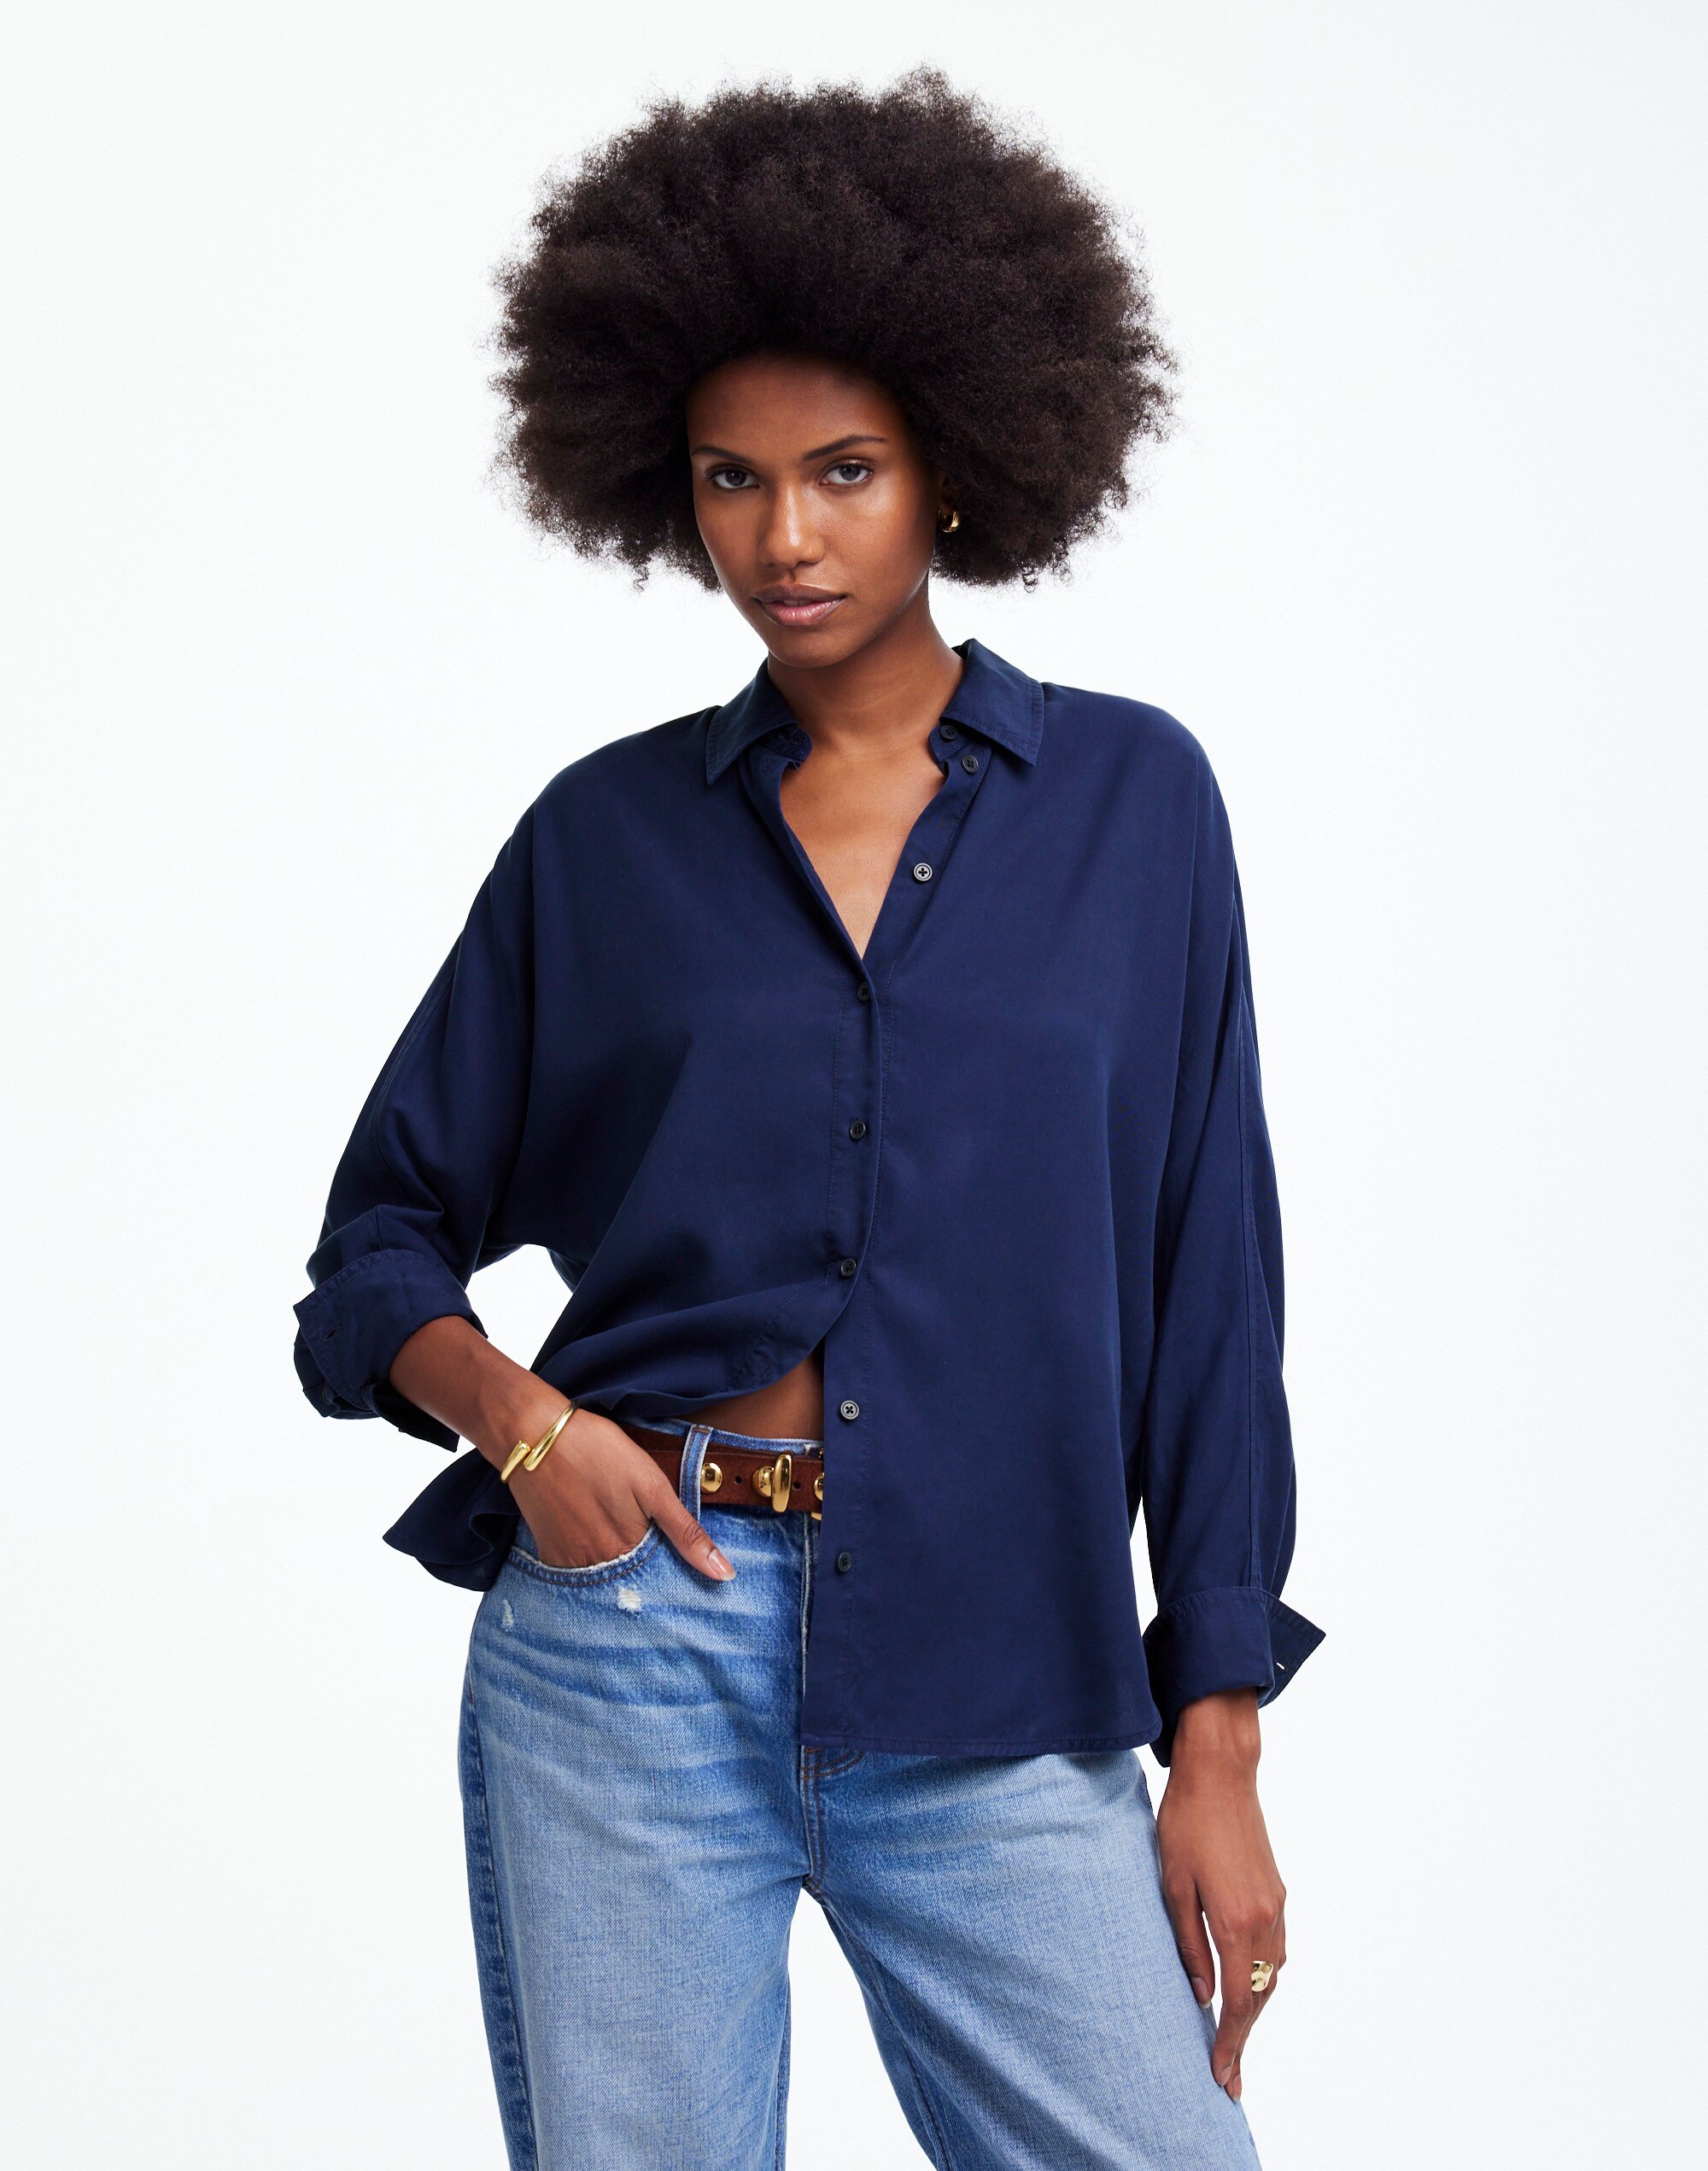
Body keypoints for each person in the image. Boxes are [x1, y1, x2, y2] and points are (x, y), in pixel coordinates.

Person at [292, 67, 1323, 2171]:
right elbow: (373, 1254)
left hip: (999, 1649)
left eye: (843, 470)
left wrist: (1213, 1741)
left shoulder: (1134, 805)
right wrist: (526, 1430)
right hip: (626, 1641)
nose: (782, 537)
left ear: (953, 458)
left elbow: (1207, 1287)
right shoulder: (602, 843)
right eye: (731, 480)